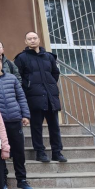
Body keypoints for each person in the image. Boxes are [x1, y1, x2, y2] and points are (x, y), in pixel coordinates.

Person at [0, 54, 34, 189]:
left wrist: (25, 115)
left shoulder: (12, 78)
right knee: (0, 152)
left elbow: (21, 97)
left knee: (18, 152)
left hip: (14, 119)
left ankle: (22, 180)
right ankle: (2, 181)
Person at [15, 32, 66, 163]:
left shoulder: (49, 57)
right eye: (29, 39)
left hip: (50, 96)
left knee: (54, 126)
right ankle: (40, 152)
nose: (32, 40)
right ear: (26, 42)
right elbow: (18, 77)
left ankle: (57, 152)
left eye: (34, 38)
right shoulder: (21, 58)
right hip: (33, 97)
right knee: (36, 126)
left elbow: (55, 73)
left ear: (39, 40)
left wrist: (50, 85)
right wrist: (29, 87)